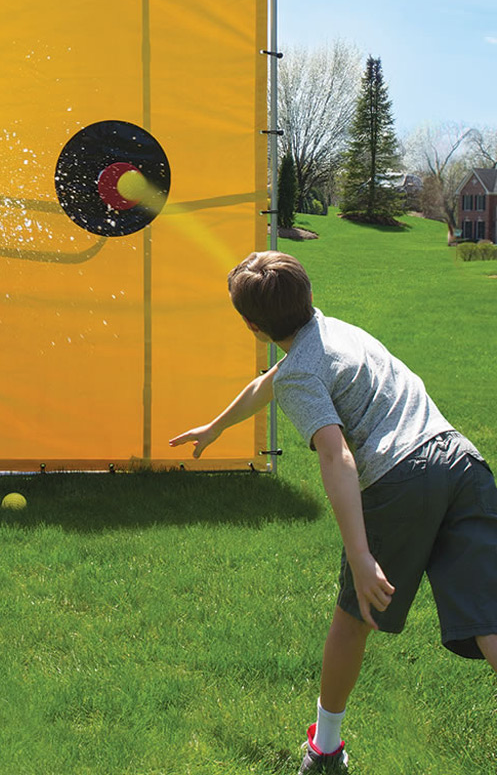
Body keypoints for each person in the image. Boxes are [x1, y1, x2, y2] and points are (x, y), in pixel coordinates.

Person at [169, 251, 497, 774]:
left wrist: (362, 555)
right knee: (489, 616)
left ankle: (324, 750)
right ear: (309, 297)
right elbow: (269, 382)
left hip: (402, 478)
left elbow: (334, 453)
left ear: (253, 327)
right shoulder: (336, 331)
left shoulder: (301, 372)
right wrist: (217, 426)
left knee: (353, 619)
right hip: (462, 461)